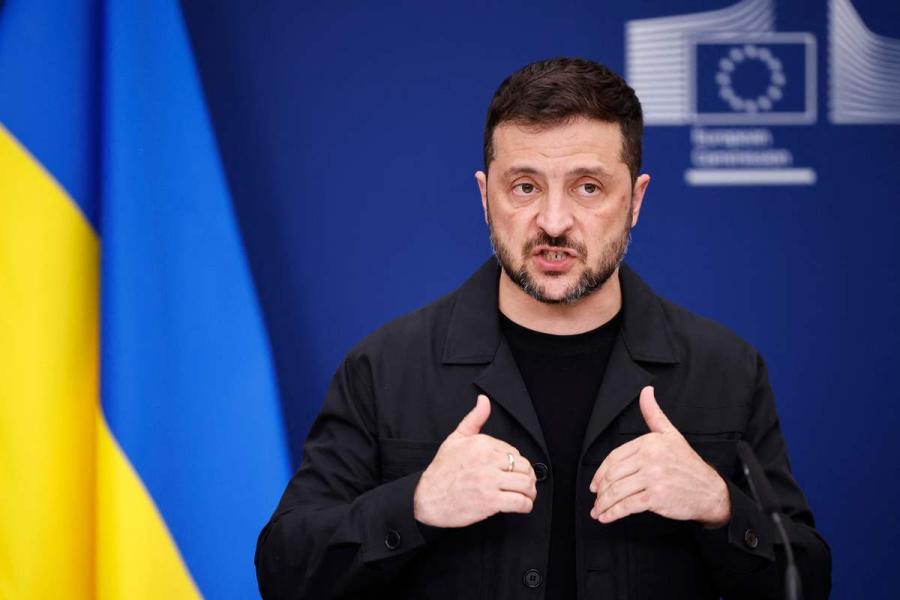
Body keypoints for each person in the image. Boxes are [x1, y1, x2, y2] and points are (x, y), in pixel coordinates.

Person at [255, 57, 831, 599]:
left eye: (588, 187)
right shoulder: (385, 368)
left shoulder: (726, 370)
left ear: (635, 200)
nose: (554, 222)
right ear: (486, 196)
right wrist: (416, 504)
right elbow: (284, 572)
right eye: (525, 186)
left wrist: (719, 506)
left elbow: (805, 578)